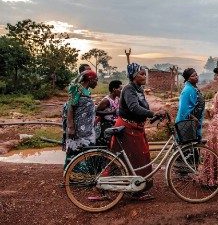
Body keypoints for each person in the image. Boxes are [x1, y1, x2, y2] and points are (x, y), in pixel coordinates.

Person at [109, 63, 165, 201]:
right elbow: (134, 108)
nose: (144, 76)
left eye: (145, 73)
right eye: (141, 74)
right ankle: (135, 191)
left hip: (136, 128)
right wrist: (152, 113)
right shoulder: (128, 89)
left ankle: (137, 186)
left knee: (142, 156)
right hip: (128, 128)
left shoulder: (138, 89)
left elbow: (142, 107)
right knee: (135, 158)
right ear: (134, 76)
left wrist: (151, 115)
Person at [63, 70, 98, 168]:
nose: (97, 83)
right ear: (90, 80)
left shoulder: (86, 91)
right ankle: (72, 174)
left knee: (85, 150)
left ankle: (82, 174)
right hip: (78, 127)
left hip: (86, 127)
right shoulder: (77, 89)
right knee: (75, 149)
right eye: (96, 80)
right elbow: (70, 107)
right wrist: (71, 127)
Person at [175, 68, 205, 139]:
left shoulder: (194, 88)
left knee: (193, 146)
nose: (196, 77)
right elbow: (183, 109)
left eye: (196, 75)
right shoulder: (187, 90)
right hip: (187, 124)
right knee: (188, 147)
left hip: (193, 124)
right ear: (188, 79)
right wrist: (194, 118)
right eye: (193, 76)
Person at [95, 80, 122, 145]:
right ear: (114, 89)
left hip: (114, 124)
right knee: (107, 144)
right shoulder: (106, 100)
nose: (121, 91)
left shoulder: (117, 99)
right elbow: (96, 112)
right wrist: (111, 112)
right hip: (106, 125)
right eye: (120, 89)